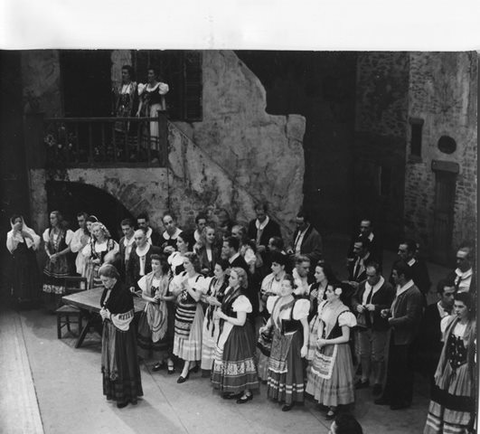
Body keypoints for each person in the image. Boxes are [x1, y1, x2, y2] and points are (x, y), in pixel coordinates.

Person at [424, 292, 476, 434]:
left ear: (469, 308)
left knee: (457, 404)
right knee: (442, 401)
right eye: (455, 306)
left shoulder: (474, 328)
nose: (457, 310)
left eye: (461, 307)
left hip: (464, 372)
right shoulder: (450, 322)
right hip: (448, 368)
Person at [375, 260, 423, 410]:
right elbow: (397, 307)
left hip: (406, 339)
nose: (392, 277)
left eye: (395, 274)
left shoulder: (414, 293)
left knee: (403, 370)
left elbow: (411, 318)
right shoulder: (400, 288)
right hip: (397, 335)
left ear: (402, 276)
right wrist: (389, 311)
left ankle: (401, 399)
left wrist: (391, 320)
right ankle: (389, 395)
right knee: (393, 368)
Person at [306, 284, 357, 420]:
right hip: (325, 344)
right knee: (322, 373)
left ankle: (334, 406)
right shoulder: (325, 305)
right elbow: (322, 321)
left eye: (329, 291)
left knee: (335, 377)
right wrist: (319, 337)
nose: (326, 293)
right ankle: (325, 402)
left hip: (337, 348)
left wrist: (326, 342)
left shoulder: (344, 312)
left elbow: (346, 337)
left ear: (337, 294)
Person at [262, 274, 310, 411]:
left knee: (290, 369)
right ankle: (278, 394)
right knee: (278, 366)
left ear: (293, 288)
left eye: (286, 286)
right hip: (278, 338)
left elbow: (305, 326)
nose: (283, 288)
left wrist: (305, 345)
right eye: (282, 285)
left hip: (291, 340)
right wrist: (266, 327)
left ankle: (290, 399)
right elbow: (273, 317)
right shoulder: (277, 301)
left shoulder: (297, 304)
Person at [211, 267, 259, 403]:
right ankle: (237, 389)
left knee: (239, 359)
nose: (229, 279)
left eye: (232, 277)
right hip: (228, 328)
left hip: (238, 332)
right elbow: (228, 306)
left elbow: (241, 321)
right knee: (229, 358)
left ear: (240, 280)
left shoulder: (242, 297)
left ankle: (247, 391)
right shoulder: (230, 290)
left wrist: (223, 316)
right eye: (229, 277)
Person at [99, 264, 143, 408]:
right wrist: (104, 312)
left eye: (105, 280)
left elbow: (128, 315)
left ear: (113, 278)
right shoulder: (108, 288)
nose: (103, 283)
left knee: (120, 362)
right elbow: (105, 304)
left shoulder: (123, 291)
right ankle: (113, 393)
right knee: (111, 361)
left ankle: (124, 396)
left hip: (121, 334)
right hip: (111, 330)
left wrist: (109, 315)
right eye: (102, 281)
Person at [351, 261, 395, 394]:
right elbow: (354, 298)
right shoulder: (363, 284)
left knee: (377, 356)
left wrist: (376, 308)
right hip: (363, 324)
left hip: (378, 327)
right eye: (367, 275)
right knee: (363, 354)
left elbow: (392, 307)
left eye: (372, 276)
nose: (368, 279)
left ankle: (377, 381)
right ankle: (364, 378)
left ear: (379, 274)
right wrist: (356, 305)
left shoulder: (387, 288)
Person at [170, 252, 207, 383]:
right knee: (183, 338)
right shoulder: (182, 275)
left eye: (186, 263)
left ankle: (186, 368)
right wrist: (179, 289)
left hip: (193, 313)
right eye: (183, 262)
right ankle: (191, 364)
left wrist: (186, 285)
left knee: (190, 339)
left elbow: (197, 297)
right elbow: (173, 291)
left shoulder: (200, 278)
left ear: (193, 264)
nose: (184, 265)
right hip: (182, 311)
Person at [136, 254, 175, 374]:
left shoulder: (168, 279)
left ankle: (169, 360)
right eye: (152, 263)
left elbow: (174, 297)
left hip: (165, 311)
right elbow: (143, 294)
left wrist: (163, 298)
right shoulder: (148, 278)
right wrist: (151, 300)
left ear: (162, 265)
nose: (153, 266)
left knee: (164, 335)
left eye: (156, 264)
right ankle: (160, 360)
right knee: (150, 333)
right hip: (151, 310)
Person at [416, 279, 456, 387]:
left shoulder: (459, 310)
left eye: (454, 294)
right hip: (437, 356)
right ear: (439, 295)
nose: (452, 298)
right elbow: (424, 337)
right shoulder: (430, 311)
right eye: (448, 294)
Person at [257, 251, 288, 381]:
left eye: (275, 265)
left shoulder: (287, 280)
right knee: (265, 343)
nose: (272, 267)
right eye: (272, 264)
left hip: (280, 316)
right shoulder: (268, 278)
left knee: (276, 345)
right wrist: (264, 299)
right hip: (267, 314)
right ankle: (264, 374)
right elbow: (262, 294)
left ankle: (275, 375)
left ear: (282, 266)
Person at [200, 260, 229, 372]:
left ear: (225, 271)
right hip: (210, 314)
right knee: (209, 339)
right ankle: (210, 367)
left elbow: (230, 304)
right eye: (214, 269)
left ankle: (218, 370)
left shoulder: (227, 284)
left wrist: (217, 303)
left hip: (220, 316)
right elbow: (203, 295)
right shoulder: (212, 281)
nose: (215, 272)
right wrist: (207, 299)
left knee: (218, 340)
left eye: (218, 270)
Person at [42, 211, 74, 308]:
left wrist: (58, 254)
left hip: (62, 262)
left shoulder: (67, 232)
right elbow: (46, 246)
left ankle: (60, 306)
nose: (51, 220)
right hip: (51, 261)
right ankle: (50, 307)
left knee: (60, 283)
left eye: (53, 218)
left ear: (58, 219)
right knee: (50, 282)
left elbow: (70, 247)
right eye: (50, 218)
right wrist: (50, 256)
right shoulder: (48, 231)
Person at [6, 214, 41, 302]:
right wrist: (14, 232)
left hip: (30, 259)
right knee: (21, 278)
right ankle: (22, 301)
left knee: (31, 277)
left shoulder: (29, 230)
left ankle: (33, 300)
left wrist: (28, 235)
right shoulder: (10, 234)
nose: (19, 223)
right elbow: (11, 247)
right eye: (16, 222)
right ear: (13, 224)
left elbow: (36, 243)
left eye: (20, 221)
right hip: (19, 261)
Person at [136, 67, 169, 155]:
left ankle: (156, 153)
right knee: (147, 131)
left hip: (155, 110)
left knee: (154, 130)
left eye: (151, 74)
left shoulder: (160, 86)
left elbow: (163, 100)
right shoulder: (145, 86)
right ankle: (148, 153)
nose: (149, 76)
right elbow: (141, 100)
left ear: (155, 76)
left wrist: (163, 112)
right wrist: (139, 111)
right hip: (147, 110)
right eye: (148, 74)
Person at [82, 222, 119, 289]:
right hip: (95, 274)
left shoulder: (111, 243)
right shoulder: (91, 245)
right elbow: (85, 258)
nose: (96, 233)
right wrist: (92, 261)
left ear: (103, 231)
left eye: (97, 231)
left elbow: (117, 256)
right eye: (94, 231)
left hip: (109, 273)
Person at [126, 228, 162, 293]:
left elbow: (161, 268)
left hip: (152, 284)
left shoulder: (155, 250)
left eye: (139, 238)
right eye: (135, 239)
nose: (137, 241)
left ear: (145, 238)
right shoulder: (133, 252)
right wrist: (131, 285)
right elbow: (129, 270)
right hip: (137, 284)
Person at [114, 65, 137, 134]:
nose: (123, 75)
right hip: (120, 113)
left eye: (125, 73)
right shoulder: (120, 87)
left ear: (130, 75)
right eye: (122, 73)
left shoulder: (134, 86)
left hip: (129, 113)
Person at [69, 212, 90, 276]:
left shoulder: (93, 231)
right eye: (78, 221)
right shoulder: (77, 233)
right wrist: (81, 243)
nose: (80, 223)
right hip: (81, 261)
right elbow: (72, 248)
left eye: (82, 221)